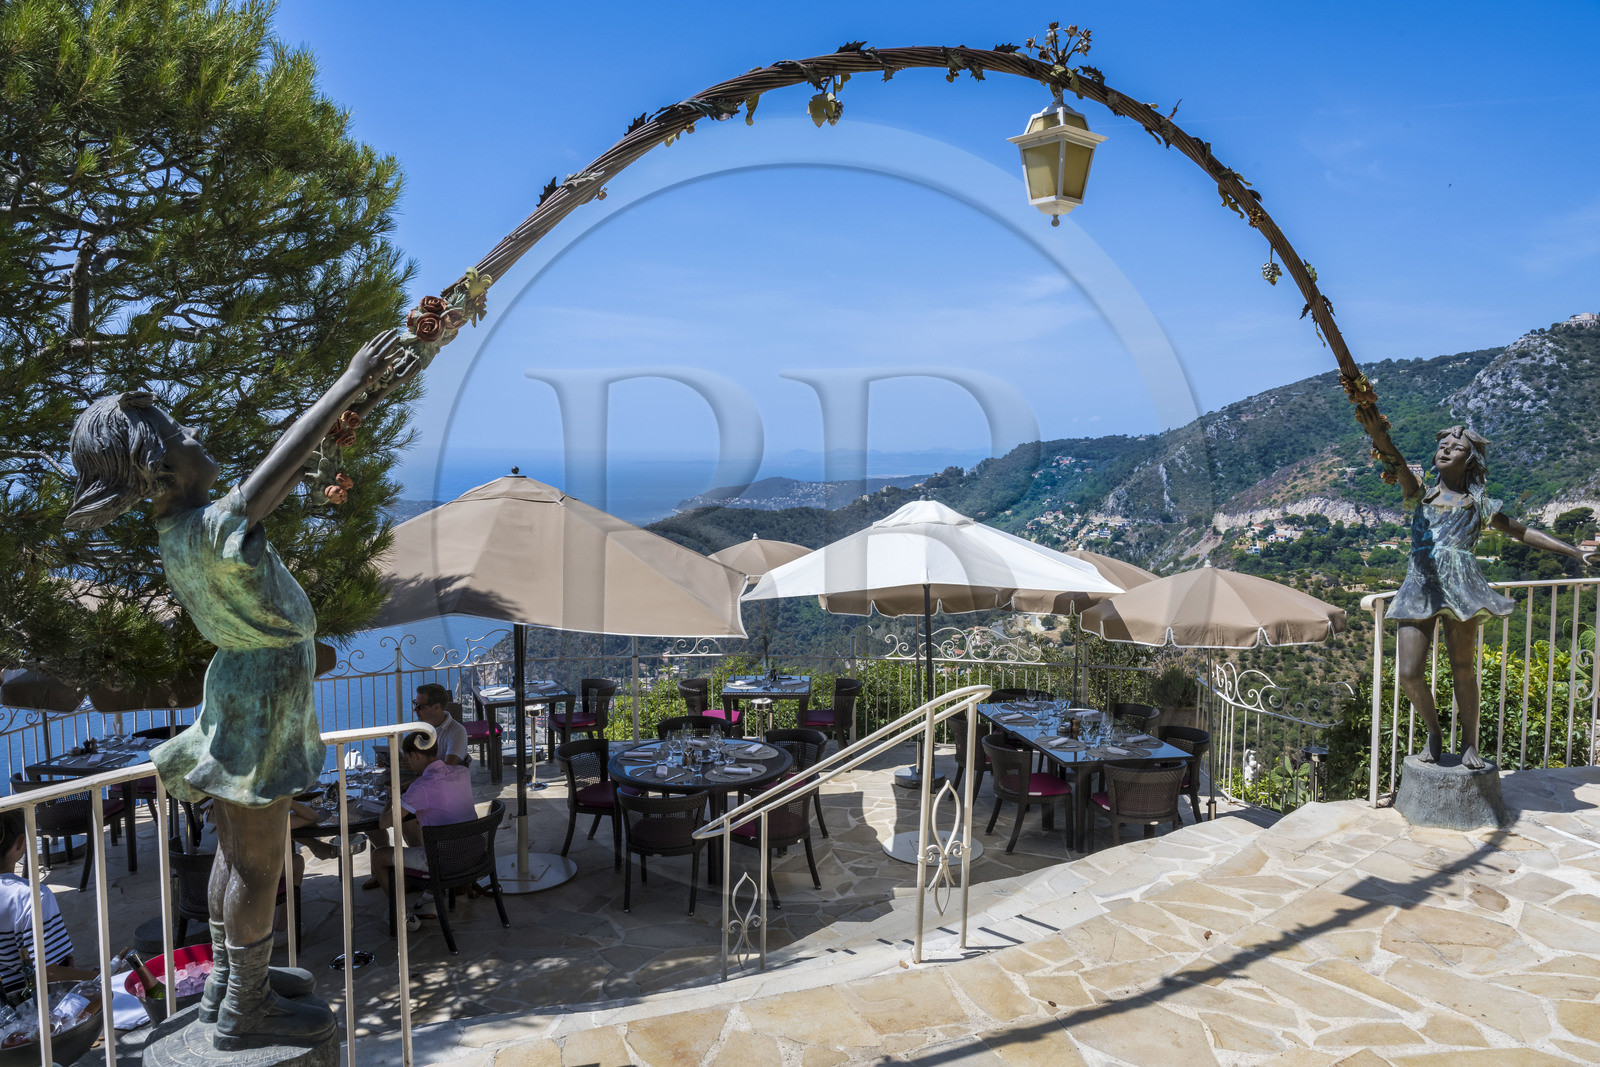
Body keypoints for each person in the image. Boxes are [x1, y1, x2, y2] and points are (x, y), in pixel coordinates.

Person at [63, 329, 399, 1049]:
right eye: (182, 435)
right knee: (259, 863)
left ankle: (227, 979)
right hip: (263, 696)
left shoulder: (175, 531)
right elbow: (277, 471)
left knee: (233, 856)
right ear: (161, 466)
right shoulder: (212, 525)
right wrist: (347, 381)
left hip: (240, 688)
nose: (197, 437)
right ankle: (247, 1006)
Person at [1379, 425, 1598, 768]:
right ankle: (1434, 732)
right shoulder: (1420, 493)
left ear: (1471, 461)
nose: (1446, 450)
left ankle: (1469, 742)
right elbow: (1396, 461)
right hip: (1420, 585)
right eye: (1443, 444)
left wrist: (1574, 552)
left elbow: (1523, 531)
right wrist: (1377, 429)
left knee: (1463, 669)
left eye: (1457, 448)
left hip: (1462, 588)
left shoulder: (1478, 503)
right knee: (1409, 673)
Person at [362, 732, 476, 910]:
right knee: (414, 835)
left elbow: (384, 823)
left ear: (414, 755)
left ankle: (400, 915)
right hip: (473, 853)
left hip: (443, 862)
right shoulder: (462, 772)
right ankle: (430, 895)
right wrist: (414, 783)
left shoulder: (421, 787)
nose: (405, 761)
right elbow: (438, 787)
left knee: (378, 856)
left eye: (406, 757)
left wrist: (393, 796)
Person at [0, 811, 94, 1000]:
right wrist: (102, 979)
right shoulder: (32, 897)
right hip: (28, 1005)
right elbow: (49, 975)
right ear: (20, 843)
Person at [411, 684, 469, 767]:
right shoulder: (420, 728)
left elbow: (448, 767)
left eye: (420, 706)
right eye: (415, 704)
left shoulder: (457, 732)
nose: (415, 709)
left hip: (439, 778)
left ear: (436, 707)